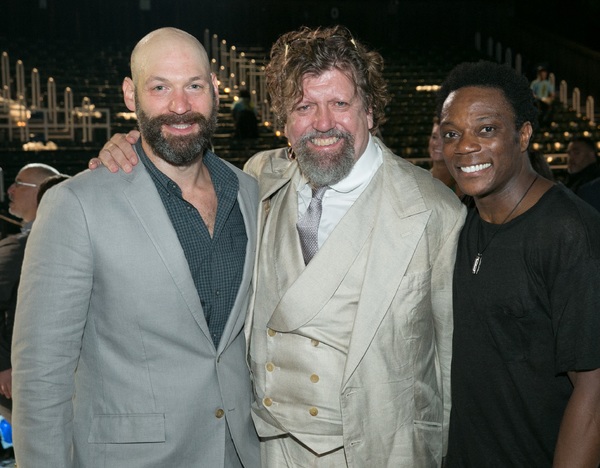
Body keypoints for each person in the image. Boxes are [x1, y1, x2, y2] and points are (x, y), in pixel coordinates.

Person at [92, 25, 467, 467]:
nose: (323, 123)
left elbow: (451, 366)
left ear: (370, 112)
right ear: (283, 122)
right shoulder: (255, 180)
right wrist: (131, 151)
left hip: (381, 451)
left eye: (340, 104)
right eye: (304, 107)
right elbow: (179, 165)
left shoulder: (434, 211)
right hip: (269, 450)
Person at [12, 27, 260, 468]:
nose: (180, 106)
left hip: (241, 452)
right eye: (160, 87)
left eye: (194, 86)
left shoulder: (251, 192)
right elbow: (41, 375)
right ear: (131, 95)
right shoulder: (76, 204)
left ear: (215, 91)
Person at [437, 60, 600, 467]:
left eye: (486, 129)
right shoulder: (462, 221)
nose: (466, 146)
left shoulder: (569, 231)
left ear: (523, 134)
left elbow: (594, 392)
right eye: (452, 133)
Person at [0, 163, 59, 422]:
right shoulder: (21, 245)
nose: (10, 190)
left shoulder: (23, 247)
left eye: (18, 183)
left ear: (40, 191)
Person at [429, 117, 463, 197]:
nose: (437, 143)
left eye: (444, 138)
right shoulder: (418, 179)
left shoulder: (464, 186)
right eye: (434, 137)